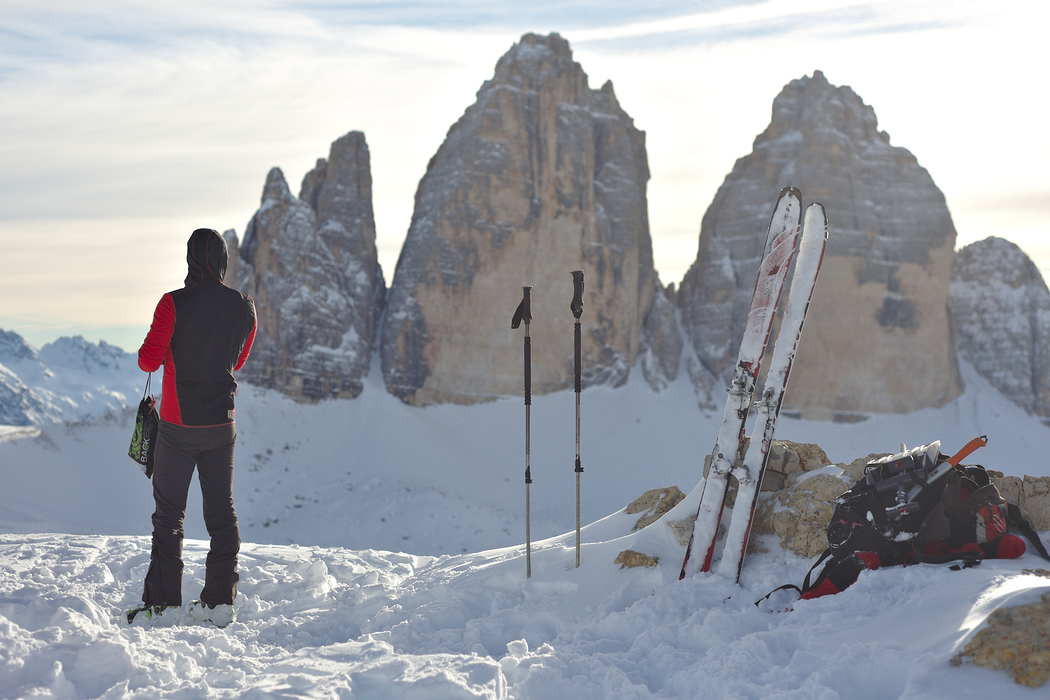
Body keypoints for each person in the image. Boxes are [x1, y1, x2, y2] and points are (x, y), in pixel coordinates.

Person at [125, 228, 257, 627]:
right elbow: (239, 361)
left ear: (189, 259)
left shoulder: (172, 304)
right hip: (222, 426)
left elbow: (148, 361)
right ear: (222, 262)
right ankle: (219, 602)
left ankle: (162, 604)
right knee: (221, 513)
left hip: (179, 430)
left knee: (169, 517)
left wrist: (171, 348)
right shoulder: (245, 307)